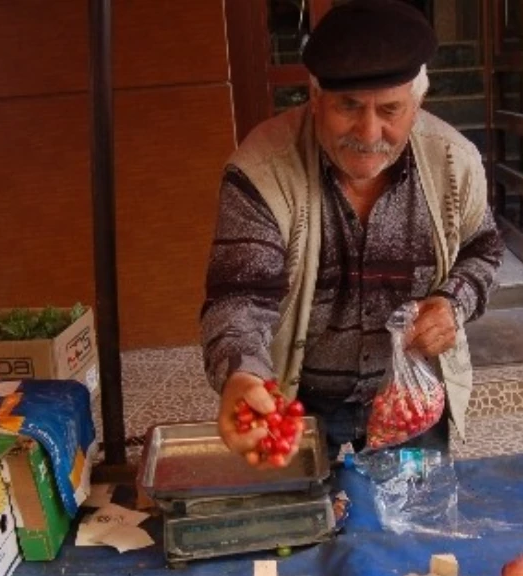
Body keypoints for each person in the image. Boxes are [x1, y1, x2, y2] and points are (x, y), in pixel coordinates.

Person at [201, 0, 503, 462]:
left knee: (409, 526)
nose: (368, 131)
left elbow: (482, 251)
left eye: (390, 109)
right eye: (348, 106)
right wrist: (242, 374)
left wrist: (451, 303)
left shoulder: (453, 163)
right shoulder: (262, 171)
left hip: (408, 395)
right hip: (298, 390)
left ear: (418, 101)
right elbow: (240, 297)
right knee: (300, 526)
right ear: (316, 97)